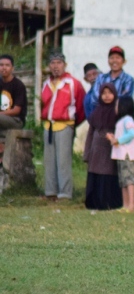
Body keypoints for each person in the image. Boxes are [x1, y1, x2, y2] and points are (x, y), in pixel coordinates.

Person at [41, 50, 86, 200]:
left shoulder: (73, 83)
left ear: (64, 65)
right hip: (48, 126)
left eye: (59, 63)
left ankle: (65, 193)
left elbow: (81, 106)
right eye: (53, 63)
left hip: (65, 125)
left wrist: (72, 123)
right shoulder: (46, 83)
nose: (55, 66)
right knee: (49, 161)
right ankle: (50, 192)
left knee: (63, 161)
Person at [83, 83, 123, 210]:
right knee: (95, 173)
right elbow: (90, 132)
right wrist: (87, 152)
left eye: (110, 93)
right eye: (104, 93)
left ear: (115, 94)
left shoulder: (117, 112)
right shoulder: (96, 111)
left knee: (107, 173)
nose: (106, 96)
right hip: (96, 149)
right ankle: (93, 202)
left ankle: (108, 202)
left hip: (110, 148)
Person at [108, 97, 134, 213]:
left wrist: (118, 140)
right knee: (123, 180)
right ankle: (125, 205)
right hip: (121, 154)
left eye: (117, 105)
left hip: (128, 154)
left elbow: (132, 133)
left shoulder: (128, 120)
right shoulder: (122, 121)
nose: (115, 108)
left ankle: (131, 205)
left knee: (129, 179)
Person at [84, 46, 134, 118]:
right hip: (102, 118)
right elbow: (95, 98)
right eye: (112, 58)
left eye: (118, 58)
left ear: (124, 61)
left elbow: (123, 101)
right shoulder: (101, 78)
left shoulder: (129, 80)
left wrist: (106, 101)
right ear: (108, 61)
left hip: (120, 118)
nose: (114, 60)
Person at [0, 54, 27, 161]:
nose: (4, 68)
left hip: (16, 120)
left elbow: (17, 110)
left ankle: (2, 144)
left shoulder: (18, 85)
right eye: (1, 65)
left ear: (12, 68)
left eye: (7, 65)